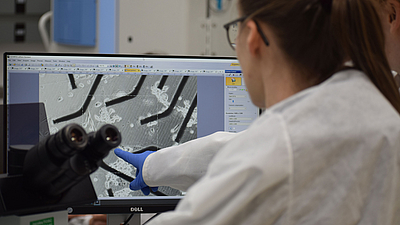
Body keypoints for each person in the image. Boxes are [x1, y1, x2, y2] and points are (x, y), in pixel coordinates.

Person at [115, 0, 400, 224]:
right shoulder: (375, 109)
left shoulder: (281, 148)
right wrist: (156, 165)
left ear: (251, 37)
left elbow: (269, 154)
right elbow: (246, 148)